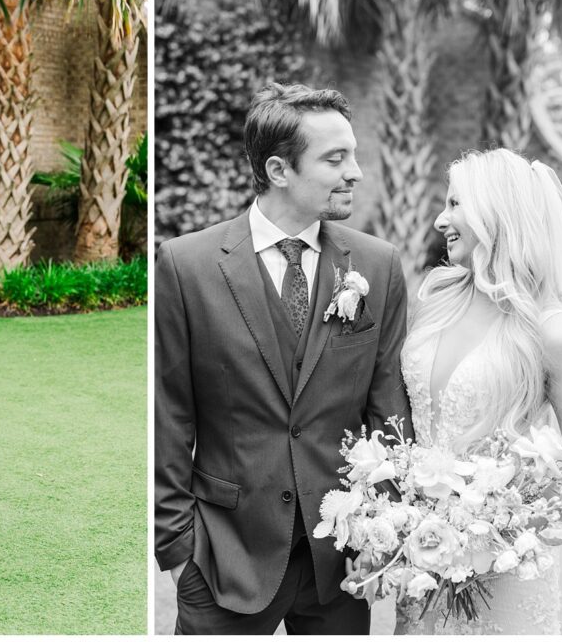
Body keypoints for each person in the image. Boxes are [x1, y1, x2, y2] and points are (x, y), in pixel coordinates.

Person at [155, 82, 414, 634]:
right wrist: (178, 550)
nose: (356, 172)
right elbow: (167, 415)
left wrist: (382, 527)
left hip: (341, 565)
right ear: (279, 170)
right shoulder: (187, 266)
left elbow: (387, 410)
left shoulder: (379, 264)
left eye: (355, 155)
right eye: (335, 158)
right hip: (223, 555)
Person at [395, 148, 562, 634]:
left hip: (505, 564)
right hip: (422, 557)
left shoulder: (552, 331)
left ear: (495, 212)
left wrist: (496, 532)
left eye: (454, 204)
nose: (439, 219)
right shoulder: (438, 296)